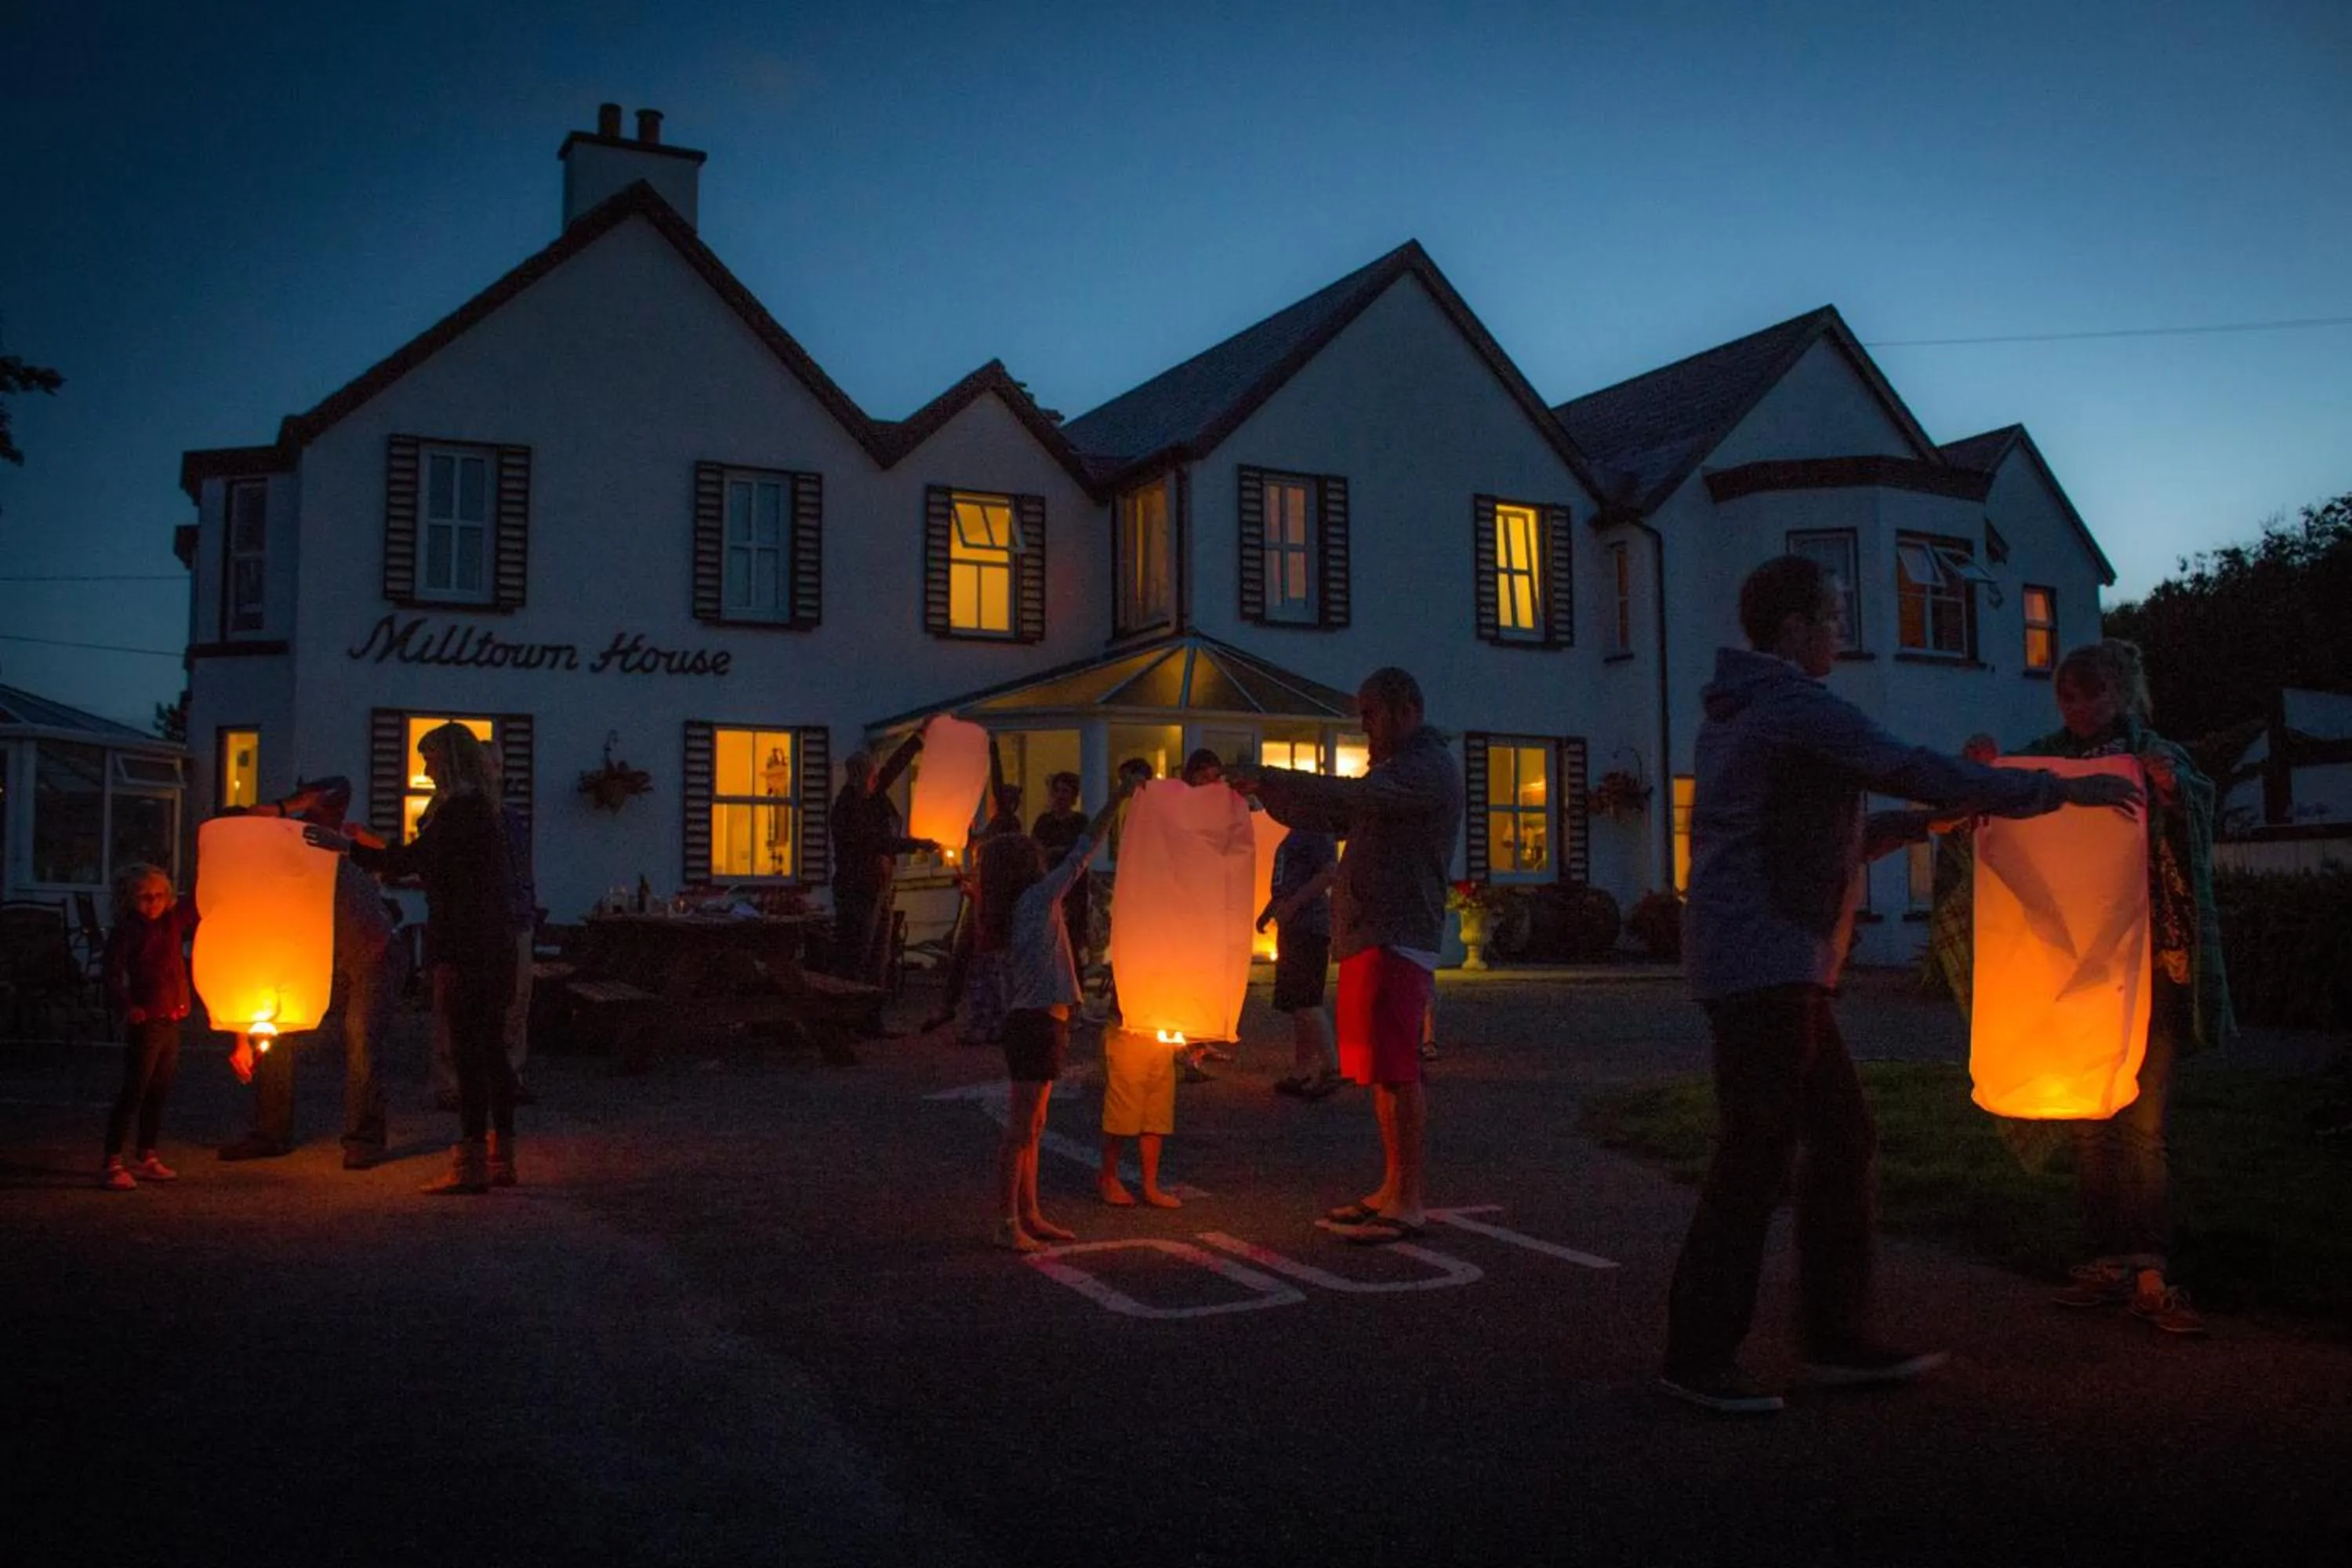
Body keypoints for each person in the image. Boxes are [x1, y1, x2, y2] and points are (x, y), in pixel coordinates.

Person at [1660, 554, 2142, 1414]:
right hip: (1768, 963)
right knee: (1758, 1152)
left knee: (1835, 1138)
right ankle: (1702, 1354)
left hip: (1766, 962)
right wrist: (2056, 793)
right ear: (1794, 627)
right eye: (1834, 616)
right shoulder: (1790, 704)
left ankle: (1834, 1339)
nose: (1842, 632)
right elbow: (1907, 763)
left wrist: (1933, 818)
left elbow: (1840, 825)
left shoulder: (1747, 708)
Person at [1930, 638, 2233, 1337]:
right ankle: (2105, 1261)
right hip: (2070, 970)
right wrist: (1981, 771)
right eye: (2069, 695)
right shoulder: (2044, 759)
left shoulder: (2158, 759)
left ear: (2121, 695)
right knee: (2094, 1124)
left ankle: (2151, 1264)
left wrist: (2166, 791)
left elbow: (2196, 819)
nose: (2081, 707)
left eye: (2093, 694)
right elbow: (1998, 801)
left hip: (2147, 967)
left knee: (2143, 1125)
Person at [1229, 667, 1464, 1246]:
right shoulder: (1396, 772)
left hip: (1395, 932)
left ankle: (1406, 1201)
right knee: (1382, 1073)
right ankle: (1391, 1189)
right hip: (1372, 932)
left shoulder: (1424, 769)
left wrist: (1268, 777)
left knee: (1399, 1071)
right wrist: (1267, 793)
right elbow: (1332, 812)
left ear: (1406, 710)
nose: (1363, 726)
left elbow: (1347, 799)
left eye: (1369, 714)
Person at [350, 724, 519, 1196]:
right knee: (492, 1053)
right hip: (490, 944)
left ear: (449, 760)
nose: (424, 771)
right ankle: (500, 1155)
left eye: (429, 760)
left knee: (470, 1053)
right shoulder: (483, 811)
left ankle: (470, 1165)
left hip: (467, 947)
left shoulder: (459, 811)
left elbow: (412, 862)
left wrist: (350, 851)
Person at [216, 779, 406, 1170]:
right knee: (276, 1026)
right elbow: (251, 964)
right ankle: (270, 1132)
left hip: (371, 951)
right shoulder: (252, 886)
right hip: (318, 957)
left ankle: (364, 1139)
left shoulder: (310, 835)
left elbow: (339, 786)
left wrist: (283, 807)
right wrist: (243, 1036)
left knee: (361, 1035)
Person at [981, 780, 1131, 1251]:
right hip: (1036, 1024)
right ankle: (1009, 1221)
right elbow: (1083, 852)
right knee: (1022, 1127)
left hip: (1038, 1021)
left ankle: (1030, 1212)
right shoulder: (1035, 902)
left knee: (1035, 1124)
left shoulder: (1006, 908)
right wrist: (1118, 796)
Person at [829, 731, 935, 1036]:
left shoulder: (870, 797)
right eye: (873, 776)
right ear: (861, 777)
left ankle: (869, 1021)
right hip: (858, 891)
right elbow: (874, 842)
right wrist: (914, 845)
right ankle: (849, 1021)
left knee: (878, 957)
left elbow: (891, 770)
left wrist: (917, 740)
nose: (878, 780)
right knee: (857, 956)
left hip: (878, 888)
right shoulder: (848, 809)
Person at [99, 863, 198, 1190]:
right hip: (147, 1022)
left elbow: (199, 898)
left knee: (159, 1090)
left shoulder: (172, 922)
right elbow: (112, 975)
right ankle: (112, 1161)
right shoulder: (127, 931)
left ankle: (146, 1155)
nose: (152, 903)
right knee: (135, 1089)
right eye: (145, 897)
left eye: (158, 896)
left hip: (171, 1019)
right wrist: (130, 1007)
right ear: (130, 899)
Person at [1260, 826, 1341, 1099]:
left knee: (1306, 1000)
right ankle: (1302, 1070)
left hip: (1308, 927)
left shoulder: (1316, 830)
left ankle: (1331, 1068)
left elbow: (1329, 872)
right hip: (1296, 925)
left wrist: (1292, 905)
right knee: (1298, 1003)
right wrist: (1271, 909)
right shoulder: (1299, 832)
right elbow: (1290, 880)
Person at [1174, 749, 1231, 1080]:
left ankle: (1203, 1041)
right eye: (1205, 776)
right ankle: (1187, 1049)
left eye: (1215, 778)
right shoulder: (1182, 807)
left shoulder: (1216, 809)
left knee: (1211, 975)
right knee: (1189, 975)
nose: (1210, 783)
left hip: (1212, 901)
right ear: (1192, 775)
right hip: (1187, 904)